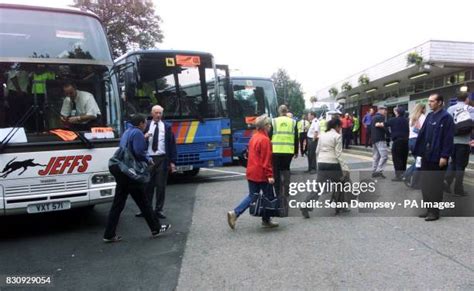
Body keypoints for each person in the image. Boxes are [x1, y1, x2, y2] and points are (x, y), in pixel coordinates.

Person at [103, 114, 171, 242]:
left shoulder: (127, 132)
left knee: (118, 204)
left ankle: (109, 234)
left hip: (120, 168)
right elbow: (139, 152)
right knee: (143, 201)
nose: (146, 125)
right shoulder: (138, 133)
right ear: (140, 123)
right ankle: (156, 228)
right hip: (130, 172)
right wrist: (148, 159)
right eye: (145, 123)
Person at [227, 114, 278, 229]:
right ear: (265, 126)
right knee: (268, 197)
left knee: (252, 196)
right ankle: (266, 220)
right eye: (268, 124)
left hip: (252, 171)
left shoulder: (254, 137)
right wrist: (270, 175)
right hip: (261, 173)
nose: (270, 126)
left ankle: (235, 213)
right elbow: (266, 160)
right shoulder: (265, 140)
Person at [414, 94, 454, 221]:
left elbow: (448, 138)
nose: (429, 103)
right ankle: (428, 209)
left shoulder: (446, 117)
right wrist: (418, 152)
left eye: (432, 101)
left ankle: (434, 212)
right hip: (427, 155)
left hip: (438, 157)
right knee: (425, 184)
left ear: (440, 102)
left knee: (435, 185)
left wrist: (445, 156)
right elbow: (422, 134)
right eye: (429, 101)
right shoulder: (430, 116)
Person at [301, 118, 349, 218]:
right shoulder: (337, 136)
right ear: (336, 126)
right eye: (340, 127)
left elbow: (317, 150)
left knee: (318, 187)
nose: (340, 129)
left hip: (322, 163)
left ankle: (306, 205)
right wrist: (345, 169)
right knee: (342, 182)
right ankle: (340, 205)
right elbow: (338, 154)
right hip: (333, 164)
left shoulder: (322, 135)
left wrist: (320, 161)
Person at [136, 105, 177, 219]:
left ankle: (159, 210)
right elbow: (137, 140)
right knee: (147, 185)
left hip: (162, 159)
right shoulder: (146, 125)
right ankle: (146, 209)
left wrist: (173, 162)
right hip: (148, 159)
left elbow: (172, 144)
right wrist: (144, 137)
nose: (158, 115)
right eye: (156, 113)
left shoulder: (167, 127)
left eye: (160, 113)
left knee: (160, 186)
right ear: (152, 113)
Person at [444, 87, 474, 196]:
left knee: (453, 162)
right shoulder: (470, 109)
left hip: (452, 141)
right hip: (464, 142)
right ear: (467, 98)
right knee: (461, 166)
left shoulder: (450, 109)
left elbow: (446, 125)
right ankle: (458, 190)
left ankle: (446, 182)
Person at [271, 105, 298, 197]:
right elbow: (296, 138)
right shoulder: (293, 122)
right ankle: (287, 190)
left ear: (279, 111)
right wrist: (296, 151)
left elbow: (269, 136)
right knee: (286, 169)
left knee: (276, 171)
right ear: (287, 111)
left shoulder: (273, 121)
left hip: (276, 151)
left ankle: (278, 192)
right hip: (288, 151)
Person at [404, 103, 426, 186]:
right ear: (422, 109)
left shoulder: (411, 118)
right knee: (419, 162)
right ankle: (410, 179)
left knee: (418, 161)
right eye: (425, 108)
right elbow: (424, 131)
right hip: (418, 141)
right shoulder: (423, 117)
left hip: (411, 141)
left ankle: (410, 178)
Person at [387, 107, 409, 181]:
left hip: (397, 141)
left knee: (397, 158)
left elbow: (384, 124)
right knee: (404, 158)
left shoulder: (393, 120)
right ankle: (404, 174)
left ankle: (398, 176)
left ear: (397, 113)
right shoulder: (406, 120)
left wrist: (378, 123)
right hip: (406, 141)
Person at [371, 105, 389, 178]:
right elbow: (383, 127)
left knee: (376, 156)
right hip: (380, 138)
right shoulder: (381, 117)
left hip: (374, 139)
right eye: (385, 110)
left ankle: (374, 171)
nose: (386, 112)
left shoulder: (373, 117)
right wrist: (389, 134)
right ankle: (378, 171)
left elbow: (370, 128)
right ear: (380, 110)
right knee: (384, 156)